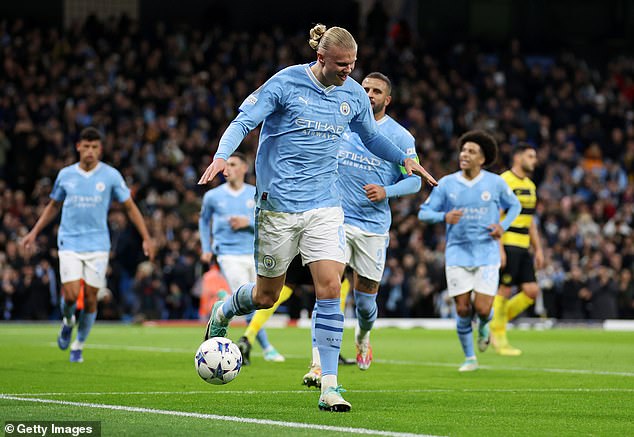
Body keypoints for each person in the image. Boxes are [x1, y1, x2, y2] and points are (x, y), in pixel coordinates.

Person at [198, 24, 436, 412]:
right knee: (266, 295)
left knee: (329, 287)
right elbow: (243, 121)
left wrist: (404, 159)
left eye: (353, 65)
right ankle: (224, 310)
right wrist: (222, 155)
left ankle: (329, 384)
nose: (349, 71)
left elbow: (371, 138)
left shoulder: (353, 94)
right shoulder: (285, 82)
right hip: (277, 207)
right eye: (342, 64)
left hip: (325, 207)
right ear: (321, 58)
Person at [303, 71, 421, 388]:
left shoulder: (400, 137)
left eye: (376, 91)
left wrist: (387, 191)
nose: (369, 94)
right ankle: (318, 364)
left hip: (372, 227)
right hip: (334, 219)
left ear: (387, 99)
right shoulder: (340, 120)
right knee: (328, 291)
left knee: (365, 304)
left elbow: (416, 179)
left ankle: (364, 334)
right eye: (365, 88)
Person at [21, 127, 155, 363]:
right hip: (70, 240)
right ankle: (68, 322)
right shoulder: (65, 175)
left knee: (92, 298)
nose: (90, 151)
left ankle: (78, 345)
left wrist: (146, 236)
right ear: (78, 147)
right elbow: (53, 206)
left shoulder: (111, 176)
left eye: (95, 147)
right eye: (86, 146)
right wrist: (34, 232)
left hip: (98, 244)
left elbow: (130, 207)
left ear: (100, 149)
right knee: (72, 296)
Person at [419, 130, 521, 372]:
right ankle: (469, 358)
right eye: (463, 150)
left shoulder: (495, 183)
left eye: (471, 151)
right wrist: (444, 216)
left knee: (483, 308)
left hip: (487, 254)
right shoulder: (447, 184)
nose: (465, 154)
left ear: (482, 159)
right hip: (457, 254)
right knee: (463, 308)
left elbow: (514, 205)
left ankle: (485, 325)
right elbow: (424, 213)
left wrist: (502, 226)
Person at [198, 152, 284, 364]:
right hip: (227, 254)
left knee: (259, 299)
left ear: (245, 168)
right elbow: (203, 221)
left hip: (253, 252)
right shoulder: (213, 196)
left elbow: (268, 221)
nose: (227, 169)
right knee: (245, 296)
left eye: (233, 164)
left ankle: (225, 302)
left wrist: (247, 223)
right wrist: (206, 247)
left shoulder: (255, 193)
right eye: (226, 165)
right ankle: (264, 346)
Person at [490, 143, 544, 356]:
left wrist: (538, 249)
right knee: (504, 289)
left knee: (532, 291)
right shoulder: (504, 181)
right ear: (518, 157)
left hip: (524, 246)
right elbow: (496, 217)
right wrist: (499, 248)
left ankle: (495, 321)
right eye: (531, 156)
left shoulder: (531, 186)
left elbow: (531, 221)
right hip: (508, 242)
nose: (534, 160)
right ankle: (499, 335)